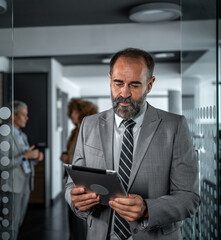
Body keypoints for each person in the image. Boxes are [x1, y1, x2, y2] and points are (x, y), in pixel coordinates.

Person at [65, 48, 200, 240]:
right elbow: (71, 184)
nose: (124, 93)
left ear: (150, 84)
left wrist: (147, 209)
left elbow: (189, 198)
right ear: (110, 79)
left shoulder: (175, 126)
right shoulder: (89, 124)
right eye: (118, 83)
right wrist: (75, 199)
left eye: (135, 85)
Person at [0, 100, 43, 239]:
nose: (27, 118)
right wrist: (25, 156)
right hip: (12, 185)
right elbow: (2, 164)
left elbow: (25, 160)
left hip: (25, 182)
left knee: (18, 222)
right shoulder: (4, 134)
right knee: (10, 224)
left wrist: (34, 158)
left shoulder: (22, 135)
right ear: (12, 115)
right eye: (23, 115)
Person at [60, 98, 98, 240]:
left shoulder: (87, 130)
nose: (72, 115)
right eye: (72, 112)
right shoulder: (75, 131)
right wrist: (65, 155)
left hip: (81, 179)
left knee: (79, 219)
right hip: (71, 176)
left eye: (75, 112)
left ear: (83, 112)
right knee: (73, 217)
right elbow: (73, 152)